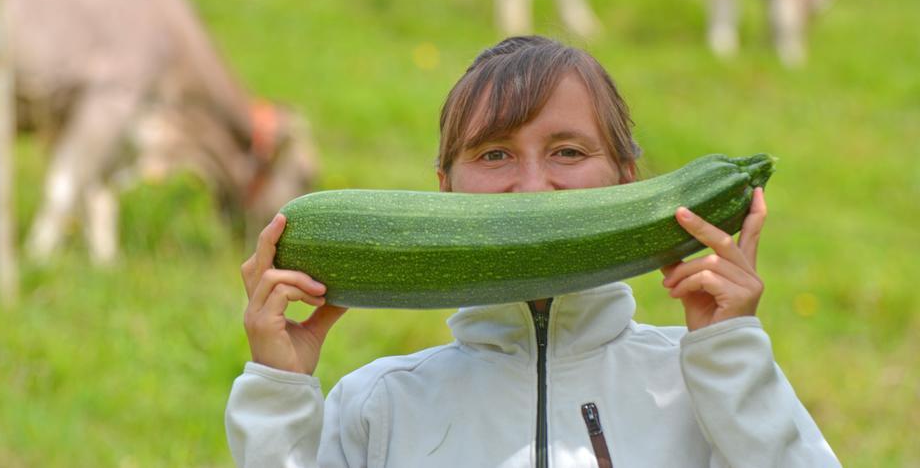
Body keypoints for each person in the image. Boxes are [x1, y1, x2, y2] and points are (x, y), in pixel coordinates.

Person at [226, 35, 840, 467]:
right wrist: (280, 390)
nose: (531, 185)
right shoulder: (380, 403)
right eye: (494, 155)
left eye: (568, 152)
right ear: (444, 191)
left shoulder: (698, 384)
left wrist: (729, 354)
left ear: (629, 183)